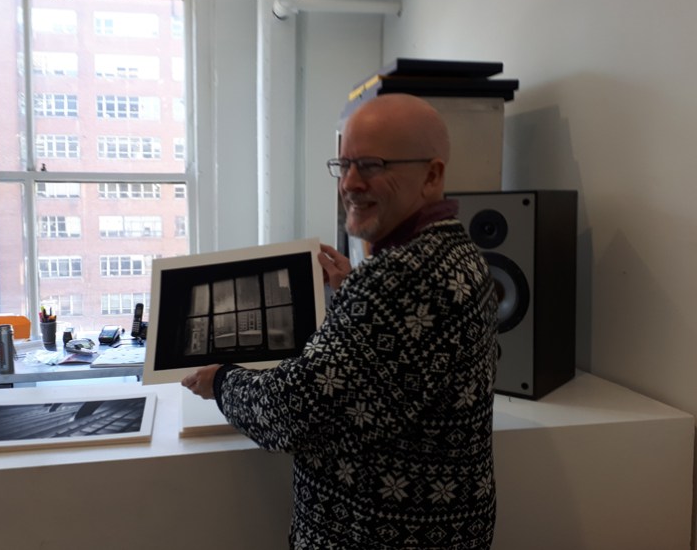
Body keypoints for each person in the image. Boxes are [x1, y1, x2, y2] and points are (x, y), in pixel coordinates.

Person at [182, 93, 499, 549]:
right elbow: (406, 366)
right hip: (451, 528)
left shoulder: (395, 280)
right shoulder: (461, 254)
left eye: (372, 165)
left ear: (432, 176)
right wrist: (353, 292)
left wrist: (222, 382)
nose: (350, 182)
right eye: (344, 164)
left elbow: (292, 411)